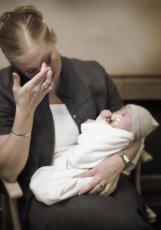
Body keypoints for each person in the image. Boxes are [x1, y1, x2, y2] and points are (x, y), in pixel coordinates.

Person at [0, 5, 154, 230]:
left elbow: (132, 132)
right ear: (15, 65)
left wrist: (117, 163)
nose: (46, 73)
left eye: (48, 60)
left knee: (129, 219)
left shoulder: (92, 74)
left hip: (108, 178)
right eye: (31, 71)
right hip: (51, 198)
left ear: (52, 35)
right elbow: (8, 171)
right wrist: (25, 111)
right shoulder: (4, 89)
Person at [29, 104, 158, 205]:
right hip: (71, 162)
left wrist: (120, 160)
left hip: (92, 172)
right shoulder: (112, 129)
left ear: (132, 131)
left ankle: (58, 189)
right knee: (42, 176)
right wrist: (100, 120)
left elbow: (93, 145)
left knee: (75, 183)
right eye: (121, 111)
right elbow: (90, 132)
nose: (119, 114)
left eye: (125, 116)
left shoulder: (121, 136)